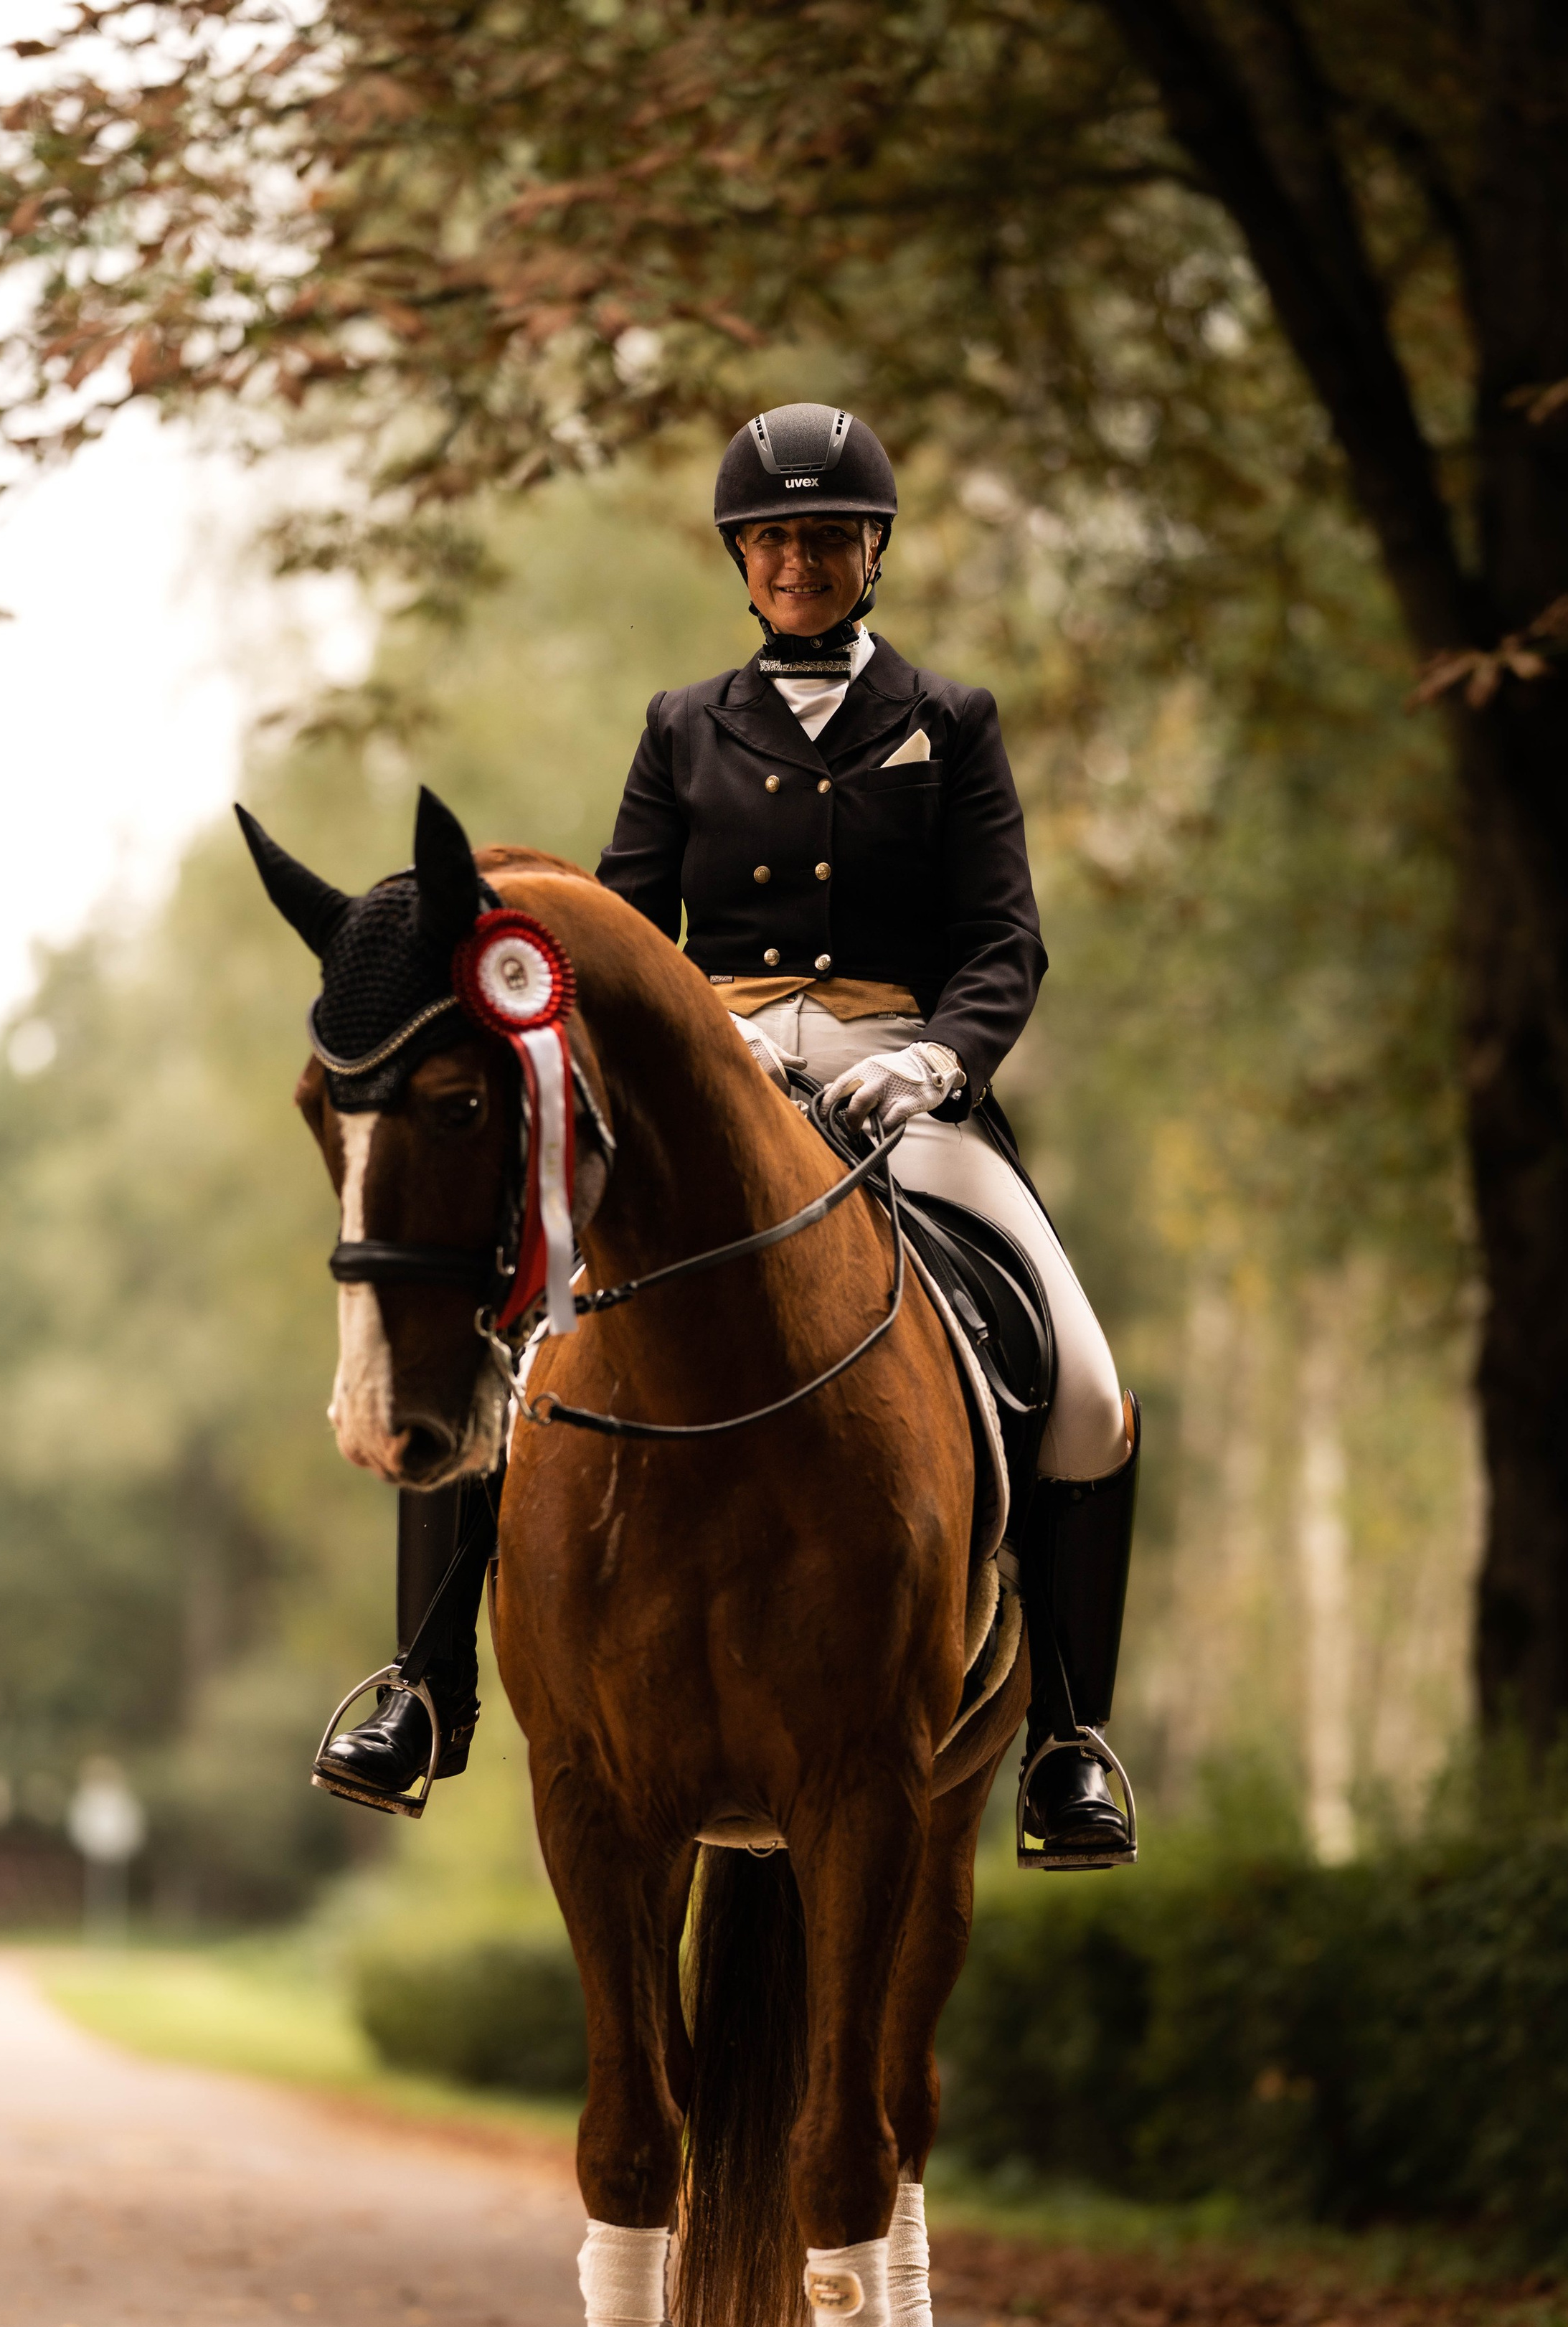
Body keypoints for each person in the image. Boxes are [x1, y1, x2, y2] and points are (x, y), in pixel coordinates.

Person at [317, 402, 1138, 1867]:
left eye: (825, 538)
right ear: (741, 562)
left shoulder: (949, 725)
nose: (798, 561)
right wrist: (707, 1035)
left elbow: (1001, 938)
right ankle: (424, 1689)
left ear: (869, 554)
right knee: (519, 1329)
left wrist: (940, 1060)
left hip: (902, 1082)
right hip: (721, 1076)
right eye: (773, 540)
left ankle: (1067, 1740)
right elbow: (618, 937)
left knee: (1081, 1385)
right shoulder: (681, 727)